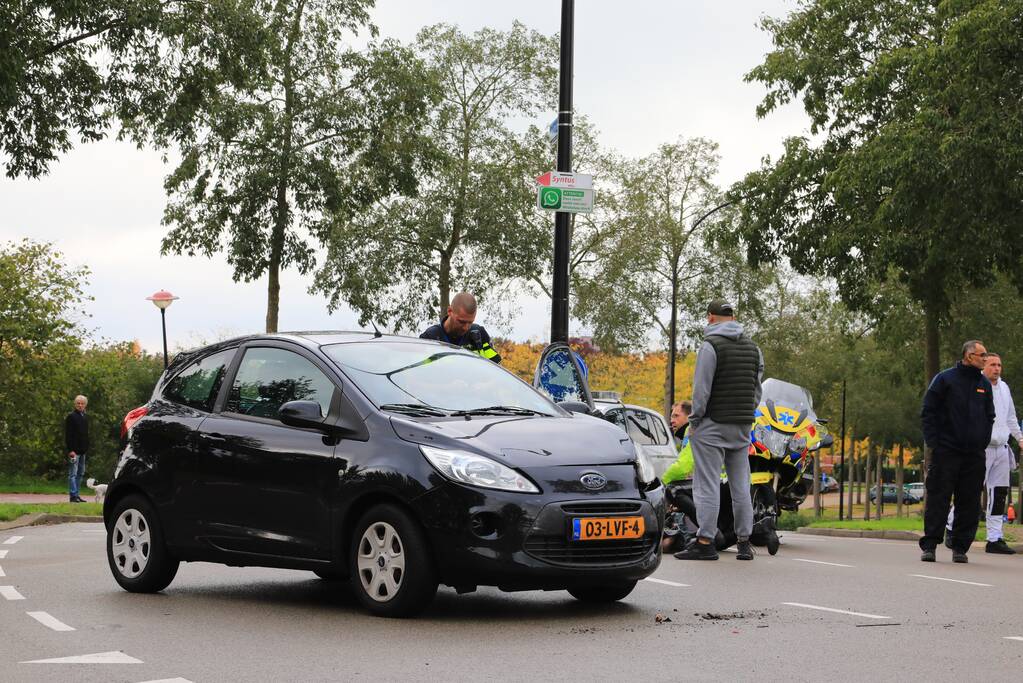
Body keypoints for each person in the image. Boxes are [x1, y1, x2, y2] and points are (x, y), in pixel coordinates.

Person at [675, 300, 763, 562]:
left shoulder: (709, 346)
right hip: (742, 425)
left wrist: (695, 420)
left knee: (707, 483)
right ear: (733, 317)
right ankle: (745, 543)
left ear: (710, 318)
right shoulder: (754, 349)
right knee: (740, 484)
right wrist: (745, 414)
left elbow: (701, 390)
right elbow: (756, 390)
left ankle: (705, 541)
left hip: (712, 424)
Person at [919, 340, 995, 563]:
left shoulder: (984, 384)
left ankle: (960, 547)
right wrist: (935, 443)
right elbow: (928, 411)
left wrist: (982, 441)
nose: (985, 358)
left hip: (974, 455)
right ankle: (930, 545)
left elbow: (990, 416)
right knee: (938, 497)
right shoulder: (945, 379)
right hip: (947, 451)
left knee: (969, 501)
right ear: (969, 356)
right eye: (982, 355)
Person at [976, 353, 1021, 553]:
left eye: (999, 365)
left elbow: (1011, 417)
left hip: (1002, 449)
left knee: (999, 494)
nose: (997, 368)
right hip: (982, 448)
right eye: (993, 364)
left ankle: (994, 538)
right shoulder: (977, 386)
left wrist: (1020, 438)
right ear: (983, 366)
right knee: (970, 490)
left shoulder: (1004, 388)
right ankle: (951, 527)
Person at [420, 292, 501, 363]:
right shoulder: (429, 338)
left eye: (470, 322)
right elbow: (417, 374)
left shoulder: (479, 334)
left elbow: (496, 371)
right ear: (449, 311)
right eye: (461, 322)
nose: (466, 328)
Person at [64, 395, 89, 503]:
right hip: (74, 451)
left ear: (85, 405)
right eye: (78, 403)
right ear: (75, 404)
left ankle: (77, 494)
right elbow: (68, 435)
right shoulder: (71, 417)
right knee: (73, 474)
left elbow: (85, 434)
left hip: (83, 450)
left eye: (82, 403)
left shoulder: (85, 417)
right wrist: (71, 450)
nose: (80, 405)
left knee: (81, 473)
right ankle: (73, 495)